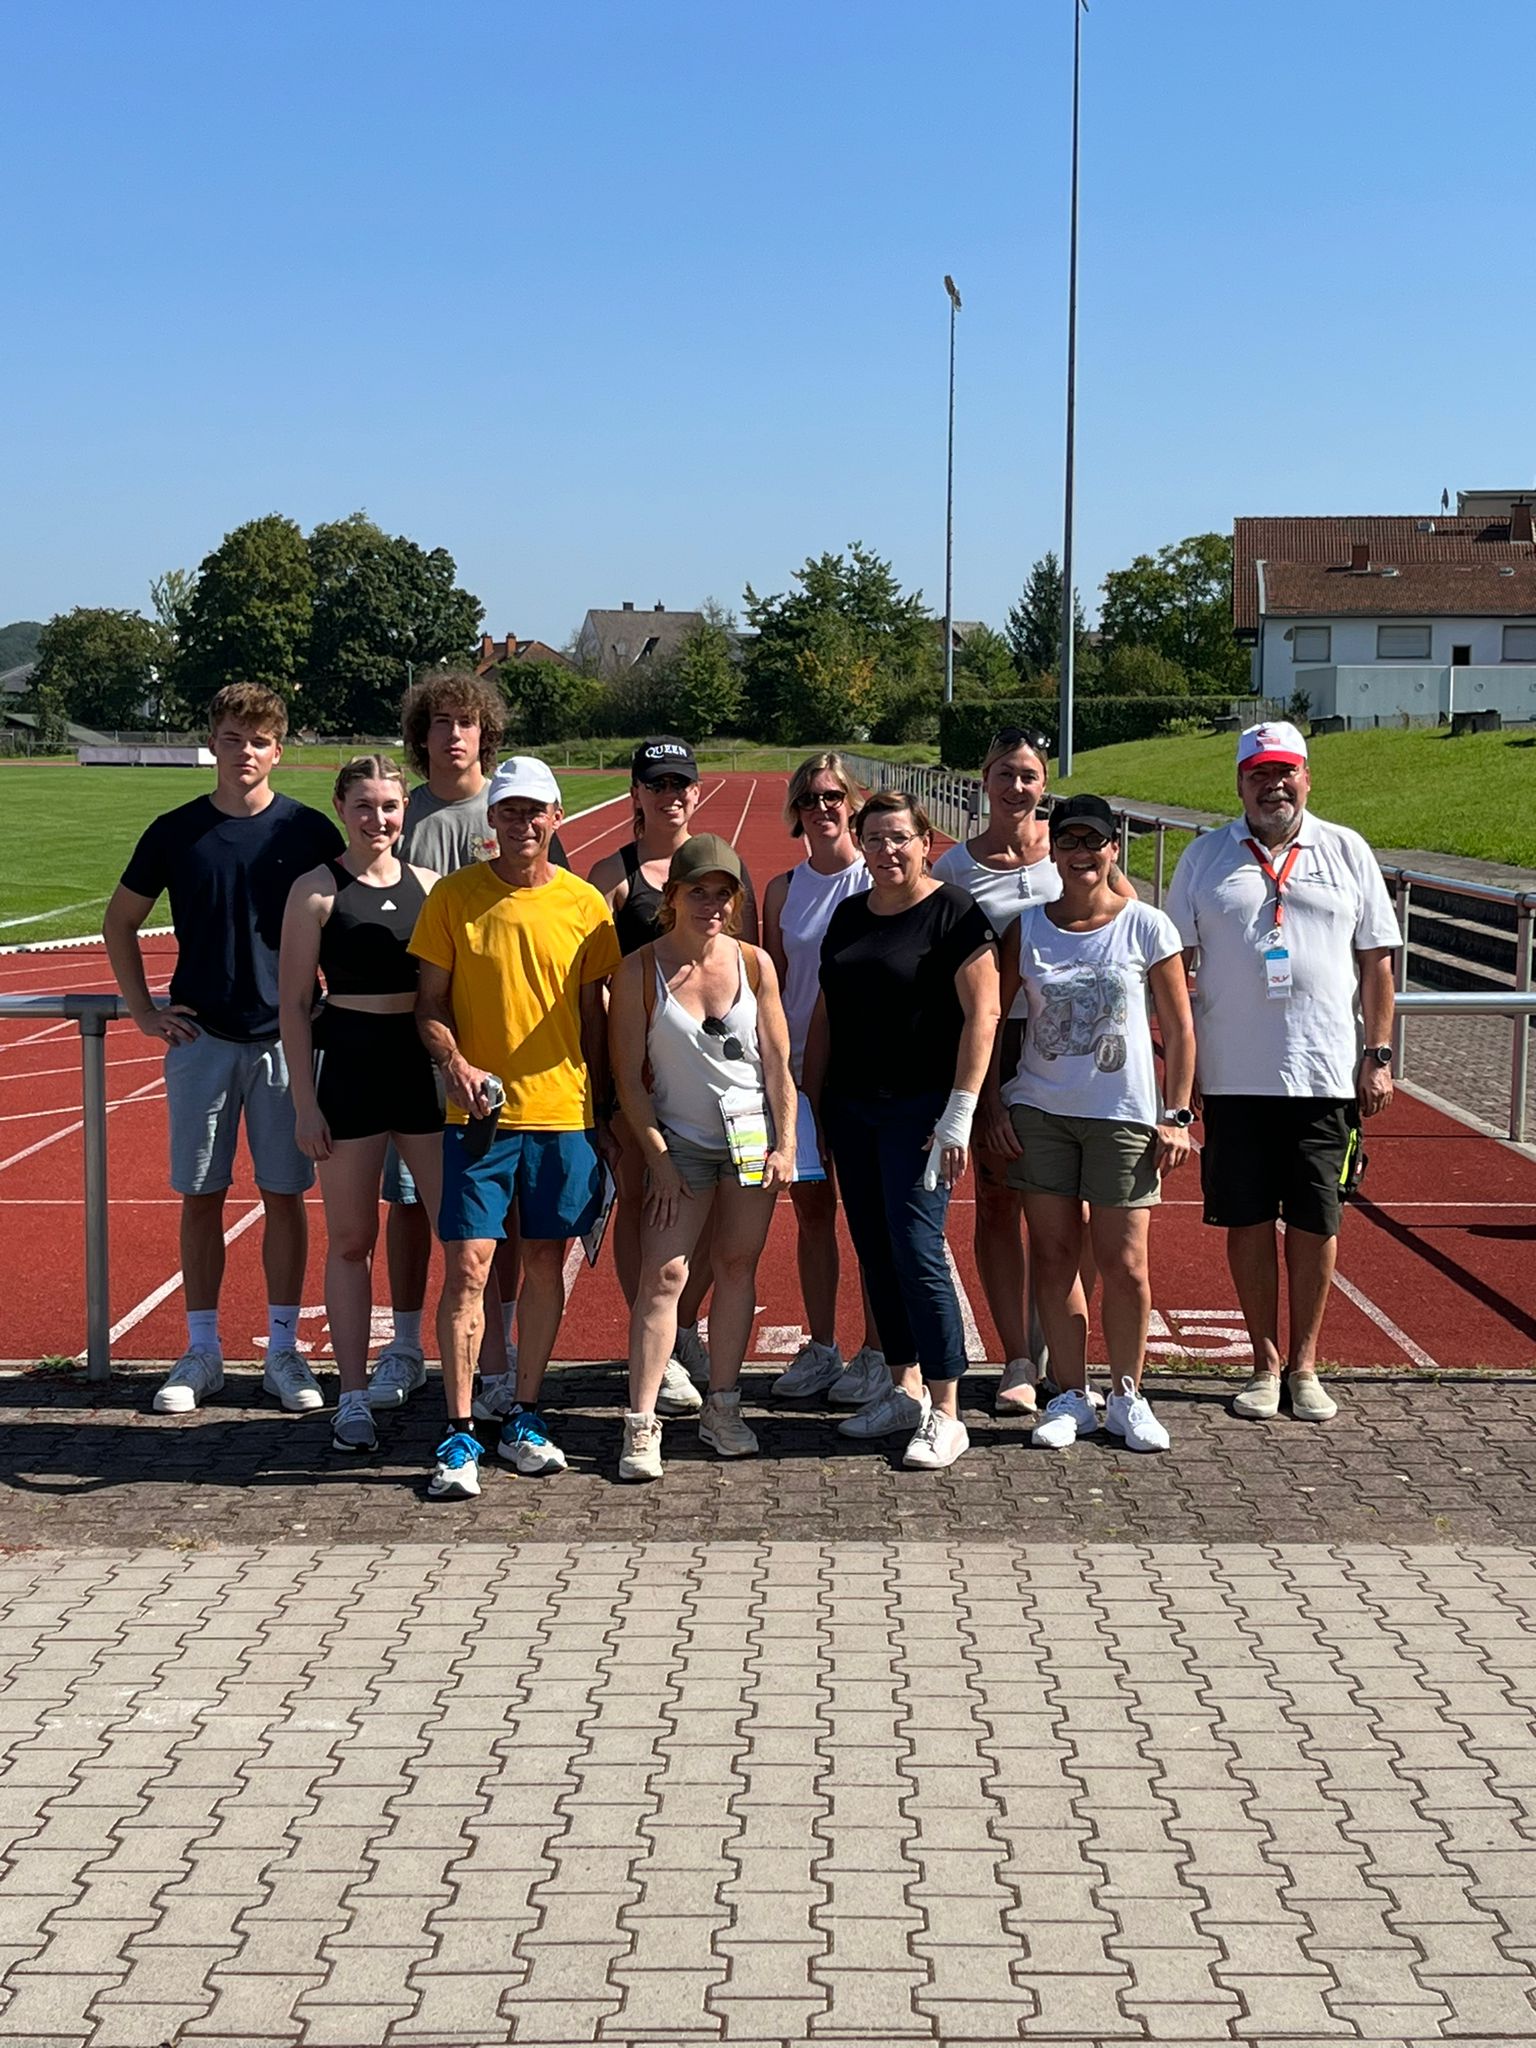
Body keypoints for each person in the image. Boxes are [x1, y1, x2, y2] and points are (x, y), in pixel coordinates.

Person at [103, 684, 343, 1415]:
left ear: (279, 749)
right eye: (233, 737)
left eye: (258, 740)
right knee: (202, 1195)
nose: (245, 751)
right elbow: (120, 921)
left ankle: (281, 1352)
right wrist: (144, 1011)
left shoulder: (308, 830)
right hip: (202, 1040)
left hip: (285, 1041)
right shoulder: (175, 831)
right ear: (212, 742)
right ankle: (202, 1350)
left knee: (285, 1196)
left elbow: (353, 916)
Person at [1166, 721, 1400, 1424]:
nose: (1274, 786)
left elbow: (1377, 961)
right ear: (1240, 783)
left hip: (1323, 1076)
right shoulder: (1205, 857)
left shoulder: (1346, 850)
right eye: (1259, 774)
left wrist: (1378, 1055)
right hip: (1233, 1077)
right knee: (1245, 1221)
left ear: (1306, 776)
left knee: (1315, 1221)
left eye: (1285, 772)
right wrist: (1184, 1067)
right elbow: (1172, 968)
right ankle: (1263, 1365)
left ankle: (1305, 1365)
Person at [410, 755, 620, 1500]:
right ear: (491, 819)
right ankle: (459, 1428)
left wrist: (604, 1112)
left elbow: (595, 1019)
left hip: (563, 1115)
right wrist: (456, 1064)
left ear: (555, 817)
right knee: (468, 1268)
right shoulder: (453, 898)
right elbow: (429, 1006)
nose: (522, 823)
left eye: (535, 811)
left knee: (542, 1265)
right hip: (479, 1119)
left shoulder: (586, 906)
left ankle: (526, 1413)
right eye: (509, 811)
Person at [377, 672, 572, 1417]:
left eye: (466, 722)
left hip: (503, 1045)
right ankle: (404, 1345)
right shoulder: (402, 813)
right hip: (419, 1037)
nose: (453, 734)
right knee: (409, 1200)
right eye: (440, 721)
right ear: (420, 734)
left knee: (503, 1217)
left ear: (485, 734)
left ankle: (499, 1350)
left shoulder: (514, 804)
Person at [980, 795, 1196, 1453]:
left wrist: (1177, 1115)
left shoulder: (1147, 926)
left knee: (1124, 1263)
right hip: (1040, 1114)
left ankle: (1127, 1394)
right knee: (1053, 1255)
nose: (1081, 854)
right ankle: (1070, 1394)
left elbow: (1180, 1027)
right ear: (1054, 852)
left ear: (1113, 849)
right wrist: (991, 1105)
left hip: (1122, 1117)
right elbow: (992, 1020)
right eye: (1069, 841)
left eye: (1093, 842)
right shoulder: (1026, 929)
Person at [933, 727, 1134, 1416]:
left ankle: (1057, 1349)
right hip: (995, 1041)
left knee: (1074, 1207)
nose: (1016, 787)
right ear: (984, 780)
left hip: (1072, 1049)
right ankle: (1016, 1355)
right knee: (998, 1203)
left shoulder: (1077, 852)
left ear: (1044, 783)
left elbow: (1127, 927)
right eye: (1004, 773)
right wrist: (982, 1095)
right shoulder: (956, 868)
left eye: (1028, 775)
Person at [803, 791, 1000, 1471]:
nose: (887, 851)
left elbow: (983, 1015)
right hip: (852, 1108)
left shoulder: (955, 913)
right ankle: (902, 1388)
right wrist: (813, 1104)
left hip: (920, 1112)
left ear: (925, 842)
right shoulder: (850, 913)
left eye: (900, 838)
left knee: (917, 1249)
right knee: (875, 1250)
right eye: (875, 839)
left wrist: (960, 1112)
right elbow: (827, 1014)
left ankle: (947, 1410)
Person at [609, 836, 796, 1481]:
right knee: (664, 1278)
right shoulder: (638, 971)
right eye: (698, 892)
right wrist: (658, 1158)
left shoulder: (755, 964)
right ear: (672, 897)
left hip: (749, 1141)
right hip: (680, 1145)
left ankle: (723, 1406)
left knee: (737, 1267)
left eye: (723, 894)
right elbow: (628, 1079)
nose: (711, 905)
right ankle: (640, 1423)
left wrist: (786, 1144)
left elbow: (777, 1063)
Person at [278, 756, 444, 1453]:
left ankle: (476, 1389)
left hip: (420, 1071)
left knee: (460, 1234)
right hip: (349, 1072)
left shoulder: (431, 887)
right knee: (351, 1242)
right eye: (365, 805)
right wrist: (304, 1104)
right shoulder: (315, 890)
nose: (379, 819)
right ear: (341, 808)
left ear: (406, 810)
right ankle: (351, 1397)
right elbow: (293, 1005)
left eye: (390, 806)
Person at [589, 738, 759, 1409]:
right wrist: (619, 1059)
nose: (670, 796)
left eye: (680, 784)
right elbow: (591, 981)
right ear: (635, 792)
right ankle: (653, 1339)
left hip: (713, 1080)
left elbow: (745, 969)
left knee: (714, 1217)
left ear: (696, 790)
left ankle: (682, 1330)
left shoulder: (723, 865)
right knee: (645, 1204)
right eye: (657, 784)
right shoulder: (614, 872)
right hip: (640, 1076)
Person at [759, 753, 887, 1407]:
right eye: (808, 799)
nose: (821, 808)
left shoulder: (878, 877)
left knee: (871, 1216)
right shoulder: (783, 890)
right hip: (799, 1075)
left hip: (864, 1072)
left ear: (853, 804)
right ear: (795, 810)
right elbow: (773, 989)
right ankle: (822, 1345)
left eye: (833, 796)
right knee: (812, 1214)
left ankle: (879, 1352)